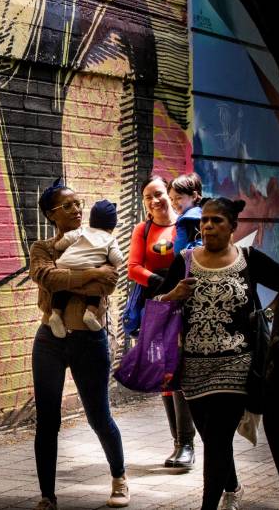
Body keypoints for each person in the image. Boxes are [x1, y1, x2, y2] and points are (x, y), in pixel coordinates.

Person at [157, 197, 279, 510]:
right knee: (214, 440)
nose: (209, 226)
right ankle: (233, 487)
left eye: (217, 221)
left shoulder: (249, 259)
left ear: (232, 227)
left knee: (217, 440)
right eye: (205, 221)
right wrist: (173, 295)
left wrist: (271, 316)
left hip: (236, 364)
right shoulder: (185, 260)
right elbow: (157, 305)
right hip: (194, 369)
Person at [29, 180, 130, 509]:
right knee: (48, 421)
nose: (76, 210)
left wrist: (72, 273)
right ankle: (47, 496)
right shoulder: (42, 249)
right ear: (50, 214)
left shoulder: (98, 239)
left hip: (89, 339)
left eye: (77, 203)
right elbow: (47, 277)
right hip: (49, 341)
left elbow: (111, 280)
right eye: (67, 206)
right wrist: (90, 274)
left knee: (98, 416)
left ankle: (119, 478)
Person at [127, 174, 196, 468]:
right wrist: (162, 283)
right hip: (156, 308)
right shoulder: (143, 230)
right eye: (148, 197)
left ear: (169, 194)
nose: (154, 201)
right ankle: (178, 443)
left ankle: (187, 444)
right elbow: (133, 268)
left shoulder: (187, 225)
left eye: (158, 194)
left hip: (185, 309)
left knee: (179, 373)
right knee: (165, 376)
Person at [47, 199, 124, 337]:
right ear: (112, 226)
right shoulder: (110, 239)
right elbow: (117, 259)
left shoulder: (82, 230)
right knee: (96, 286)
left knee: (62, 287)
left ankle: (56, 314)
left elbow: (66, 240)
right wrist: (114, 263)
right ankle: (90, 312)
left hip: (66, 263)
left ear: (92, 220)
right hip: (89, 266)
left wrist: (58, 246)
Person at [168, 173, 203, 254]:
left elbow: (200, 244)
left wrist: (185, 254)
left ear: (194, 196)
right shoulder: (190, 217)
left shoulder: (192, 219)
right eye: (171, 199)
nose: (173, 203)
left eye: (178, 198)